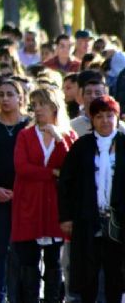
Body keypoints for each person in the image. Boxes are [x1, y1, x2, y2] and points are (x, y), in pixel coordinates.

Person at [11, 87, 76, 303]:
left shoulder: (68, 135)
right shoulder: (25, 134)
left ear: (54, 107)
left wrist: (60, 140)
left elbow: (70, 169)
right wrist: (51, 173)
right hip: (29, 204)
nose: (37, 109)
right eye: (34, 105)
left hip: (55, 207)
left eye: (42, 104)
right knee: (28, 263)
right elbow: (22, 167)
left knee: (54, 263)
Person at [58, 95, 125, 303]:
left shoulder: (123, 144)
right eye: (99, 116)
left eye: (109, 116)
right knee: (88, 275)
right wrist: (66, 217)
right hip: (88, 219)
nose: (105, 121)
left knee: (117, 274)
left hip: (119, 221)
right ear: (92, 119)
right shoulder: (82, 146)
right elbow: (66, 183)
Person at [0, 79, 29, 303]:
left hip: (26, 197)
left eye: (10, 94)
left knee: (24, 251)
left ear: (20, 97)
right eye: (1, 94)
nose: (5, 98)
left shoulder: (29, 126)